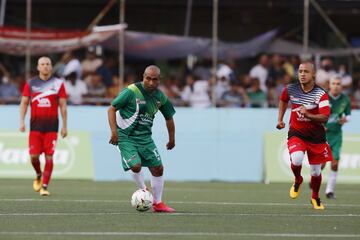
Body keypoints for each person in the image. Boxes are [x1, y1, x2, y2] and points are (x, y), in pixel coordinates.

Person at [107, 65, 176, 213]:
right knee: (136, 166)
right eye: (148, 79)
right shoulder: (131, 91)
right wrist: (114, 132)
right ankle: (144, 191)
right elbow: (111, 108)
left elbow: (169, 118)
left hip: (145, 138)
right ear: (143, 77)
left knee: (158, 168)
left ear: (159, 80)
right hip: (126, 137)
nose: (150, 82)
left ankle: (158, 203)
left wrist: (172, 139)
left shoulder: (160, 97)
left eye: (154, 80)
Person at [276, 62, 332, 210]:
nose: (302, 74)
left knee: (316, 171)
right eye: (300, 71)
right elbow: (283, 100)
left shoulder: (321, 94)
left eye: (306, 71)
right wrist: (280, 119)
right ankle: (298, 179)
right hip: (297, 133)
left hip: (316, 137)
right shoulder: (290, 89)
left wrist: (308, 114)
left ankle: (315, 197)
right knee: (297, 158)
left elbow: (325, 117)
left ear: (313, 74)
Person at [19, 56, 67, 196]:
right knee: (34, 157)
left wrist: (65, 126)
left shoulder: (58, 84)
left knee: (49, 157)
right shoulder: (31, 84)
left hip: (52, 127)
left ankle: (44, 186)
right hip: (35, 127)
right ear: (38, 67)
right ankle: (39, 174)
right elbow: (24, 103)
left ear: (51, 67)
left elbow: (63, 106)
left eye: (48, 64)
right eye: (43, 64)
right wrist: (21, 121)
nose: (45, 66)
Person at [323, 77, 351, 199]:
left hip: (336, 135)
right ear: (329, 85)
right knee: (321, 165)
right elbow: (314, 113)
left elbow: (349, 114)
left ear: (341, 86)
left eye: (338, 84)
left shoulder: (345, 99)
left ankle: (329, 191)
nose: (336, 86)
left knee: (335, 164)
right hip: (322, 136)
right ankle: (314, 179)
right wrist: (319, 125)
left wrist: (346, 119)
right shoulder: (323, 98)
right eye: (333, 83)